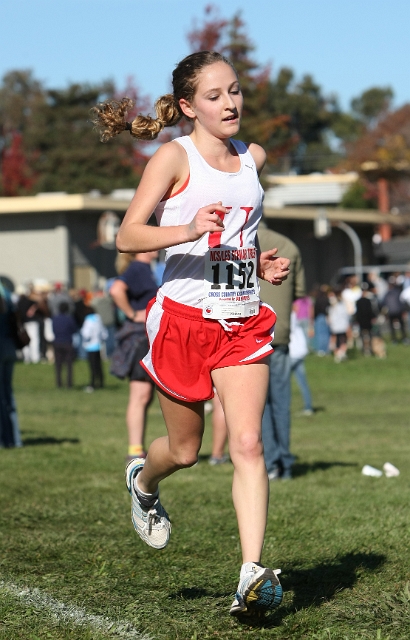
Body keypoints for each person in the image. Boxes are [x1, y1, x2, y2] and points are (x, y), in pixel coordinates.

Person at [92, 50, 290, 617]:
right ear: (187, 106)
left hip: (241, 318)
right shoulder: (173, 158)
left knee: (248, 444)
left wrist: (258, 263)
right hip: (181, 322)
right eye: (214, 96)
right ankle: (143, 482)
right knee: (184, 451)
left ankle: (250, 575)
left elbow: (238, 236)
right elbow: (128, 237)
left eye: (234, 91)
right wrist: (186, 227)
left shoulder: (252, 157)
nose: (230, 103)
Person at [258, 220, 306, 481]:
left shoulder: (239, 243)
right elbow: (298, 292)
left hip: (251, 336)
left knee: (259, 405)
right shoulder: (289, 245)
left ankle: (271, 462)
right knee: (281, 403)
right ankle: (286, 461)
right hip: (281, 333)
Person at [110, 251, 158, 461]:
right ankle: (134, 450)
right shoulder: (138, 268)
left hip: (146, 338)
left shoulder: (145, 269)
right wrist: (132, 314)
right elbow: (116, 289)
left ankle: (138, 448)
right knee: (140, 395)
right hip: (140, 339)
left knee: (145, 397)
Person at [0, 282, 22, 448]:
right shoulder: (6, 291)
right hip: (9, 346)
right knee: (8, 394)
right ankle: (14, 439)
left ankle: (3, 440)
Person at [289, 307, 313, 415]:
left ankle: (282, 408)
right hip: (299, 353)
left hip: (292, 353)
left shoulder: (290, 317)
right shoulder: (294, 316)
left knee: (281, 384)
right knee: (303, 382)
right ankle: (308, 407)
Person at [81, 305, 107, 392]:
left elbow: (86, 333)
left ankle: (92, 384)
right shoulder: (98, 319)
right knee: (99, 366)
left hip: (90, 346)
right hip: (98, 345)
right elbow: (104, 332)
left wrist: (85, 340)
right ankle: (101, 382)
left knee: (92, 366)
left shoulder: (88, 321)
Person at [52, 301, 78, 388]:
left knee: (58, 364)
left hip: (57, 342)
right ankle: (69, 383)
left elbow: (53, 329)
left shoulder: (55, 319)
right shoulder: (69, 319)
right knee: (69, 365)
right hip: (67, 342)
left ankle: (59, 383)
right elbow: (74, 329)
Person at [328, 286, 350, 363]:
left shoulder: (335, 303)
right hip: (340, 324)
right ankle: (340, 353)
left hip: (338, 325)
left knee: (339, 339)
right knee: (342, 339)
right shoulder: (338, 303)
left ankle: (340, 353)